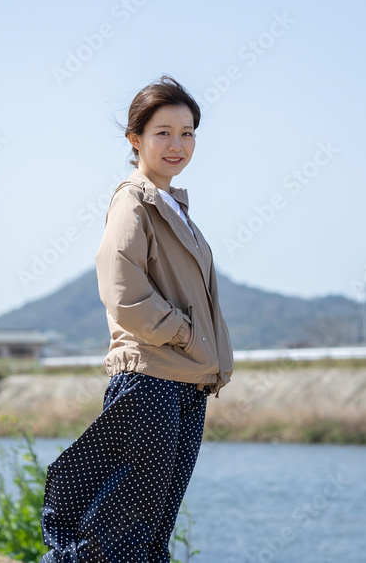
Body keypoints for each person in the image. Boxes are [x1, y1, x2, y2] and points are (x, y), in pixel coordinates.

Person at [38, 74, 234, 563]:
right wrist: (185, 334)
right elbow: (122, 290)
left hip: (185, 383)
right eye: (163, 132)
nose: (177, 144)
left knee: (150, 531)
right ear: (135, 139)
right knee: (115, 534)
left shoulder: (175, 206)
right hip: (150, 381)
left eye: (187, 132)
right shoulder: (133, 200)